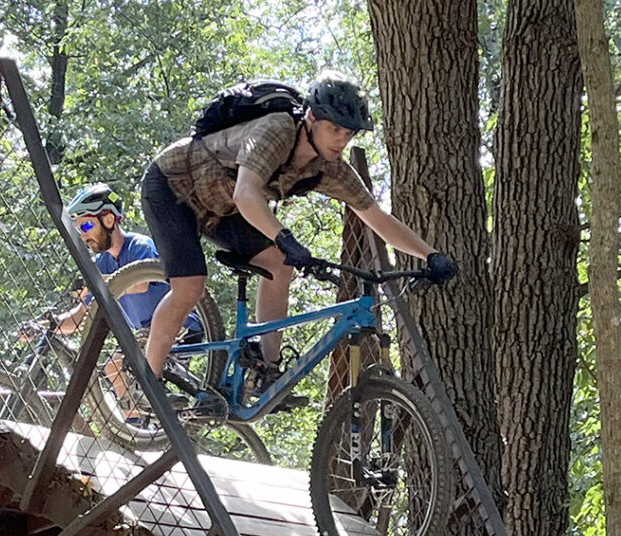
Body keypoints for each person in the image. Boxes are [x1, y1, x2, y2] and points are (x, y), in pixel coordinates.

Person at [139, 69, 457, 388]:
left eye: (349, 134)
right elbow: (246, 192)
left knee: (279, 263)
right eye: (334, 129)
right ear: (311, 118)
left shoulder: (330, 169)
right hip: (173, 186)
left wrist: (431, 256)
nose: (341, 140)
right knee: (190, 286)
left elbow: (377, 218)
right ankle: (147, 380)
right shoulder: (277, 131)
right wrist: (285, 237)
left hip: (222, 207)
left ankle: (266, 367)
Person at [55, 183, 204, 406]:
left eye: (86, 225)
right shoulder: (102, 262)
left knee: (125, 368)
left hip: (179, 328)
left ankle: (166, 405)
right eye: (79, 230)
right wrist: (50, 325)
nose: (83, 236)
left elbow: (139, 284)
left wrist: (97, 282)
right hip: (145, 336)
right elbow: (80, 316)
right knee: (114, 368)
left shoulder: (140, 246)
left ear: (108, 219)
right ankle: (137, 426)